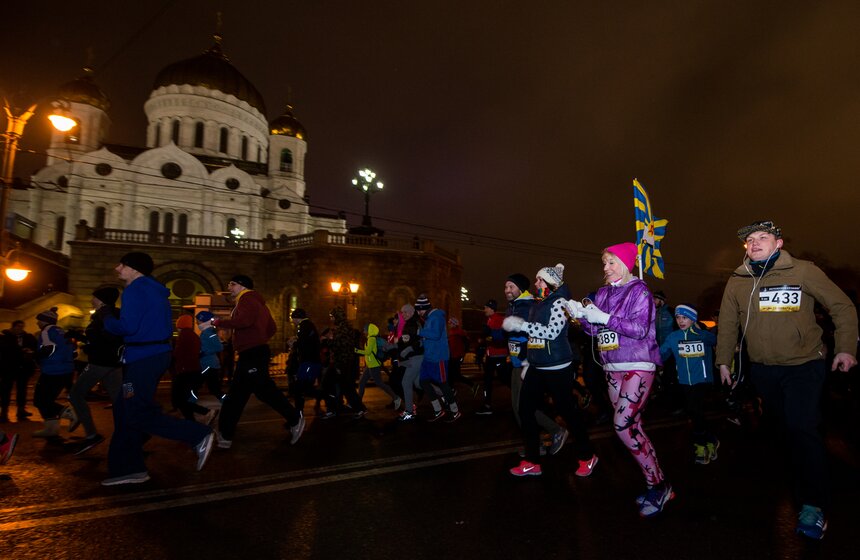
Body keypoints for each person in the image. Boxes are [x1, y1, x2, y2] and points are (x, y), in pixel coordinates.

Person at [715, 220, 858, 540]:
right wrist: (724, 360)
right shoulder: (738, 280)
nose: (754, 243)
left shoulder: (803, 271)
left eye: (762, 238)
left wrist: (846, 348)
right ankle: (804, 472)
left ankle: (814, 505)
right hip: (764, 370)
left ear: (778, 243)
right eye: (749, 240)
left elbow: (842, 307)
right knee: (785, 430)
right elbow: (726, 323)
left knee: (801, 426)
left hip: (804, 365)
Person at [570, 244, 672, 517]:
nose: (605, 268)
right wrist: (581, 315)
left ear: (626, 264)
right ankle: (659, 483)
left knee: (622, 424)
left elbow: (639, 329)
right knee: (633, 427)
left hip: (638, 364)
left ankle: (658, 484)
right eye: (604, 263)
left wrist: (602, 316)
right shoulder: (603, 292)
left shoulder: (640, 291)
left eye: (611, 262)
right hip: (612, 366)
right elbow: (595, 330)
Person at [102, 252, 214, 486]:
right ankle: (127, 469)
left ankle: (196, 435)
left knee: (134, 410)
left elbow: (128, 327)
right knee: (125, 408)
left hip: (142, 358)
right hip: (152, 356)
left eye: (122, 265)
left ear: (134, 268)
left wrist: (107, 318)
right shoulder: (154, 289)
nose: (117, 268)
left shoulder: (134, 289)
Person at [503, 264, 596, 477]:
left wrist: (521, 325)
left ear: (551, 283)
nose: (536, 284)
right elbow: (534, 339)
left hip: (557, 367)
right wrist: (527, 362)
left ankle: (587, 456)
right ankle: (532, 461)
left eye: (540, 280)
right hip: (537, 365)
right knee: (525, 410)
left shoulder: (560, 302)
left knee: (568, 413)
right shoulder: (540, 303)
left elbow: (552, 332)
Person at [213, 274, 305, 448]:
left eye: (232, 284)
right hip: (254, 352)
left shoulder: (247, 299)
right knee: (240, 395)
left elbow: (244, 321)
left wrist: (218, 322)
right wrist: (258, 339)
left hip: (252, 354)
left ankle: (294, 419)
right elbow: (272, 328)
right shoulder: (257, 302)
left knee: (256, 393)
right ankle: (225, 435)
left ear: (242, 286)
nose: (229, 287)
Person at [504, 272, 567, 456]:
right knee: (521, 407)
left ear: (520, 289)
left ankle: (553, 432)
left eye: (511, 287)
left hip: (528, 362)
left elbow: (538, 332)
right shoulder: (515, 305)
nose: (507, 290)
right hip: (519, 361)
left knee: (522, 407)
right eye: (506, 286)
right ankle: (534, 445)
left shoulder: (528, 305)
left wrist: (525, 358)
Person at [65, 287, 124, 455]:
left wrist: (90, 346)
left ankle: (91, 435)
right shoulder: (114, 313)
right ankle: (134, 433)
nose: (92, 300)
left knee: (75, 395)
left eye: (94, 298)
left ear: (101, 299)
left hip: (100, 363)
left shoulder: (104, 316)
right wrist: (84, 338)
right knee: (119, 400)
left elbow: (107, 339)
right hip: (113, 364)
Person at [659, 304, 719, 464]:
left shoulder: (702, 335)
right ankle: (711, 440)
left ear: (692, 319)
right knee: (694, 413)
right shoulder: (673, 337)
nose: (681, 321)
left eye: (685, 317)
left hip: (703, 381)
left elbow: (716, 340)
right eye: (678, 317)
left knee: (695, 409)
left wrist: (701, 331)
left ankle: (700, 445)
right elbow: (661, 355)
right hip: (685, 381)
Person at [415, 294, 461, 422]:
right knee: (423, 382)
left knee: (443, 384)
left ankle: (455, 410)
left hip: (438, 357)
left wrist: (419, 332)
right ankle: (438, 410)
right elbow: (429, 337)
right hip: (428, 357)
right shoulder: (429, 318)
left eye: (419, 310)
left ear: (424, 308)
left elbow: (435, 335)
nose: (418, 313)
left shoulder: (437, 317)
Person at [32, 307, 76, 438]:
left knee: (39, 400)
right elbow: (73, 351)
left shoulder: (46, 331)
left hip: (52, 371)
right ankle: (51, 429)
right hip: (66, 370)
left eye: (39, 320)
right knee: (47, 400)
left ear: (45, 321)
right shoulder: (61, 331)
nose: (37, 323)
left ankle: (69, 413)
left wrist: (33, 355)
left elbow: (48, 349)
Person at [170, 314, 215, 425]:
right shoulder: (194, 336)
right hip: (193, 370)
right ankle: (191, 421)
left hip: (185, 371)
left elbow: (178, 354)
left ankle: (205, 412)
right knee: (183, 399)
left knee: (180, 399)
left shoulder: (184, 336)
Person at [356, 323, 401, 411]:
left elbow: (368, 352)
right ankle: (357, 402)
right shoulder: (369, 339)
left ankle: (396, 398)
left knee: (379, 383)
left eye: (365, 330)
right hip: (370, 365)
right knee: (361, 382)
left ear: (369, 330)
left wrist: (355, 350)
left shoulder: (374, 339)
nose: (364, 331)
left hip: (374, 365)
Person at [0, 320, 38, 422]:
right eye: (18, 326)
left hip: (23, 368)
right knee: (6, 390)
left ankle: (21, 411)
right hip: (8, 368)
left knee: (22, 390)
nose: (20, 329)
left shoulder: (27, 337)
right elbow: (4, 350)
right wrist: (19, 350)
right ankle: (4, 412)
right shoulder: (5, 337)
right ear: (13, 327)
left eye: (22, 327)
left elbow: (35, 347)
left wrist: (30, 351)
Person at [477, 299, 509, 415]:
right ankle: (487, 405)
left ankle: (520, 396)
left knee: (505, 379)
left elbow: (502, 337)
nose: (484, 310)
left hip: (499, 355)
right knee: (487, 381)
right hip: (491, 356)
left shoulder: (499, 319)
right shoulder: (489, 320)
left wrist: (488, 336)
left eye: (485, 307)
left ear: (491, 308)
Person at [396, 304, 423, 421]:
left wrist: (402, 348)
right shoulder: (415, 322)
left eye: (406, 312)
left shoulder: (411, 324)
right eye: (402, 312)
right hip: (417, 356)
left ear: (412, 312)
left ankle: (409, 411)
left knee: (406, 382)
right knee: (419, 383)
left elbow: (410, 341)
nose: (404, 314)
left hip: (415, 357)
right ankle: (445, 395)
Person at [196, 311, 225, 402]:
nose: (197, 323)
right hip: (207, 364)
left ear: (204, 321)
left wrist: (204, 352)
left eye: (198, 321)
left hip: (209, 365)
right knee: (214, 389)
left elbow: (219, 347)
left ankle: (188, 404)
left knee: (196, 386)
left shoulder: (208, 332)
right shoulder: (206, 332)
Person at [446, 318, 477, 394]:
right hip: (452, 356)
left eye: (450, 323)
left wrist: (463, 353)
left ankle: (472, 385)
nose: (449, 325)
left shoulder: (459, 332)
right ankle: (452, 390)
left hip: (456, 356)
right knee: (450, 374)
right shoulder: (451, 332)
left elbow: (466, 342)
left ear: (454, 324)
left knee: (456, 375)